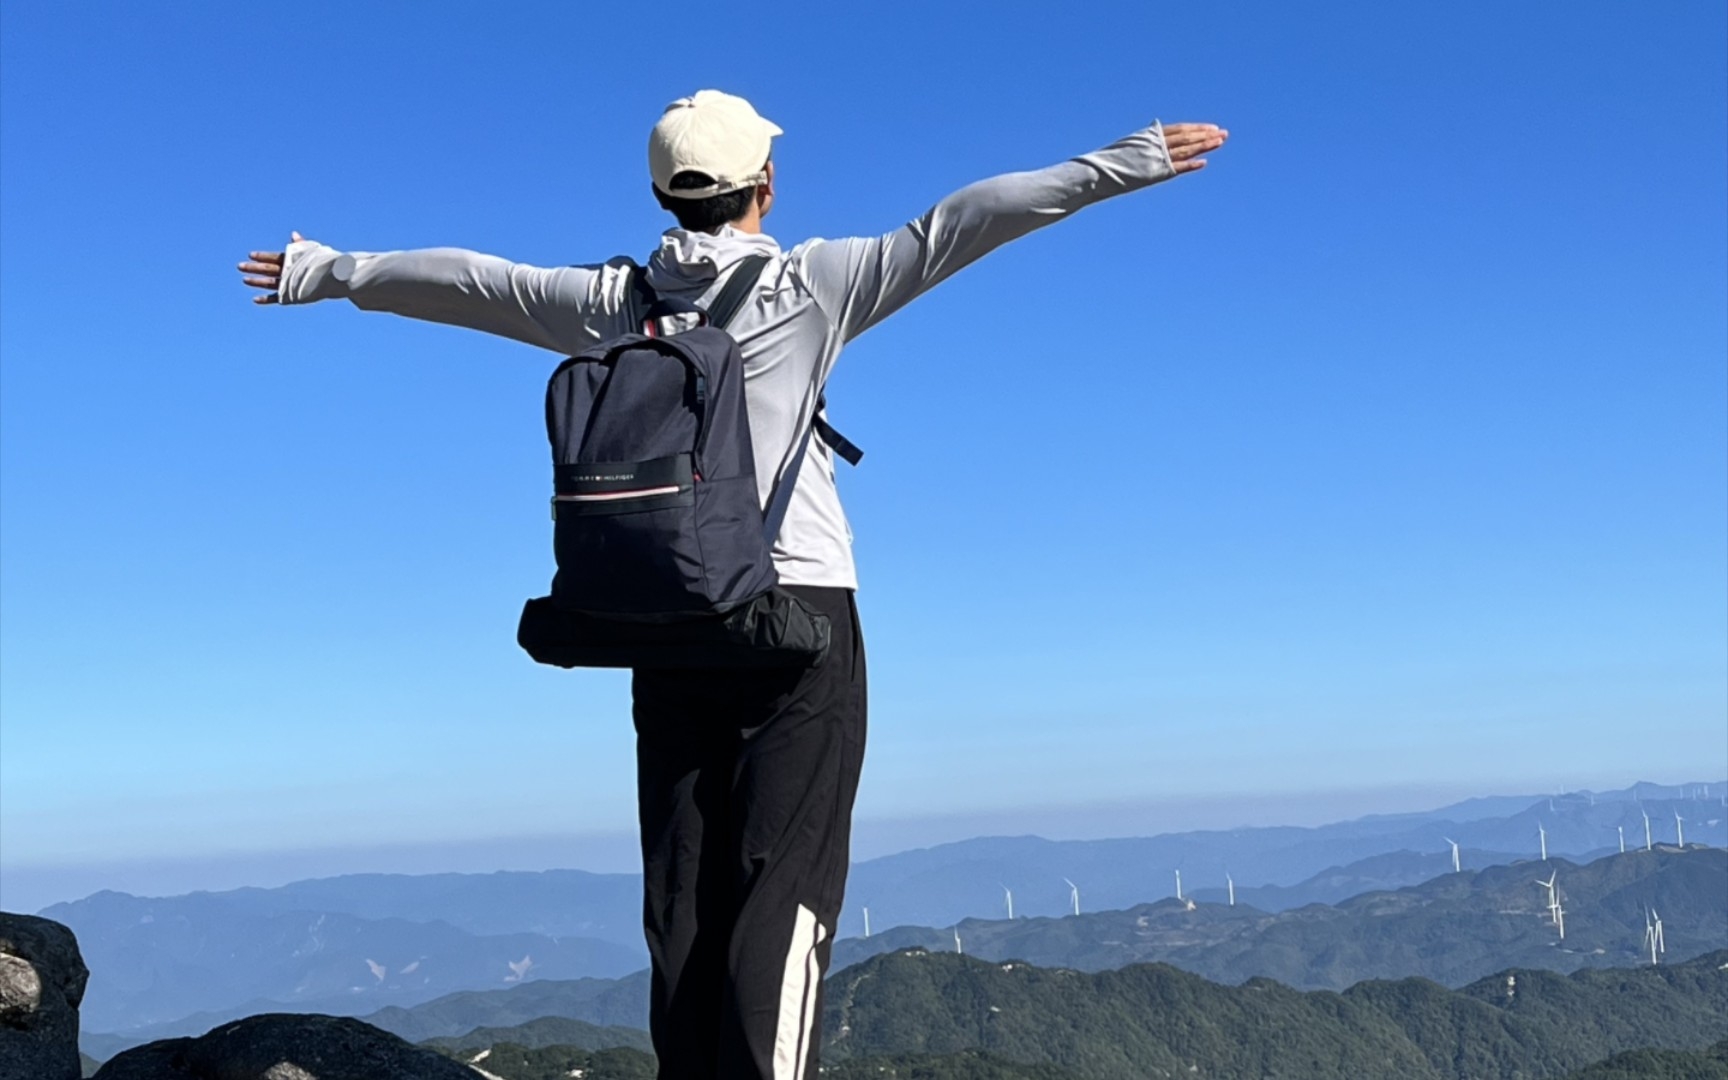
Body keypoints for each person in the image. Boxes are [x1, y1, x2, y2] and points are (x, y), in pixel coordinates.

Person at [236, 90, 1227, 1080]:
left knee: (684, 888)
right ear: (766, 184)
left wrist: (330, 272)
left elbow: (471, 283)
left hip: (665, 619)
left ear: (664, 194)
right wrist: (1126, 160)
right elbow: (971, 219)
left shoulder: (611, 303)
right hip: (800, 613)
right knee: (784, 888)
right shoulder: (813, 284)